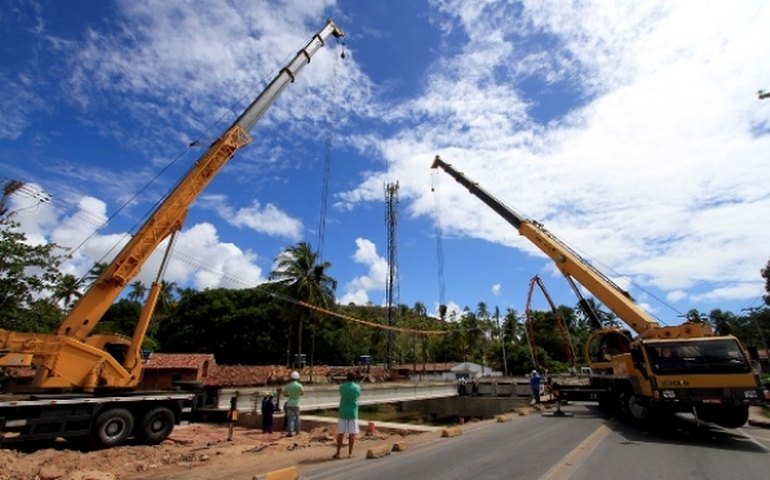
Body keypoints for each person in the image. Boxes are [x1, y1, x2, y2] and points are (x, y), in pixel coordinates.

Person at [333, 371, 361, 459]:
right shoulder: (357, 387)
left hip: (343, 412)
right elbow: (358, 396)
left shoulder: (342, 387)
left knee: (340, 433)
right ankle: (350, 453)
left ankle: (338, 453)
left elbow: (341, 393)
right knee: (352, 434)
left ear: (347, 377)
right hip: (353, 412)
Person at [284, 371, 304, 436]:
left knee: (290, 418)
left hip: (289, 404)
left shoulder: (288, 385)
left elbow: (284, 394)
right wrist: (297, 395)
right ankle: (297, 431)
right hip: (296, 404)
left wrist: (289, 395)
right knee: (297, 418)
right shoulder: (299, 385)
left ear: (291, 377)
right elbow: (302, 393)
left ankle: (290, 432)